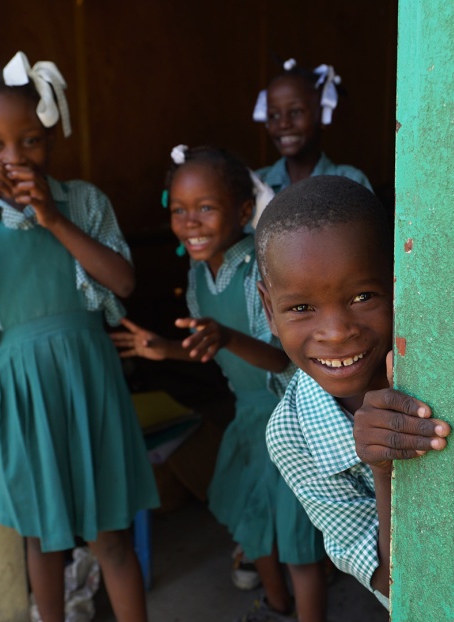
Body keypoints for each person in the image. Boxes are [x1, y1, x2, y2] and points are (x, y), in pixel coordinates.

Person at [0, 51, 159, 622]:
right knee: (42, 539)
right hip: (23, 392)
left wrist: (54, 219)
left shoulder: (81, 201)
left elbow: (122, 281)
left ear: (49, 138)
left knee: (111, 538)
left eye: (29, 141)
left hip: (89, 380)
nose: (14, 157)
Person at [111, 145, 328, 622]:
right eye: (178, 210)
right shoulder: (196, 277)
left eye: (206, 208)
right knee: (254, 526)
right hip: (249, 417)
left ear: (245, 212)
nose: (190, 222)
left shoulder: (259, 270)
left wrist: (226, 335)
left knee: (297, 546)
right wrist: (165, 349)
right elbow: (212, 348)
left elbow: (280, 359)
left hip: (290, 417)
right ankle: (275, 608)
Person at [255, 175, 451, 608]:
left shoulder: (449, 356)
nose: (337, 332)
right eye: (301, 308)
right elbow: (393, 585)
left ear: (398, 280)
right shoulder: (293, 435)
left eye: (363, 296)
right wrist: (382, 470)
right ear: (269, 309)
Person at [249, 58, 371, 227]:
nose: (284, 123)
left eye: (296, 112)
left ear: (323, 115)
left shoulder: (349, 182)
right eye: (274, 115)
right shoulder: (258, 184)